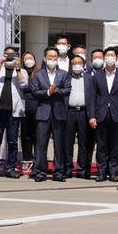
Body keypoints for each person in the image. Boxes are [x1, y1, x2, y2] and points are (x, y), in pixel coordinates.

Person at [87, 47, 118, 182]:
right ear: (104, 58)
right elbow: (92, 97)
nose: (110, 57)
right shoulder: (97, 76)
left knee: (114, 145)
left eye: (113, 55)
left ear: (116, 58)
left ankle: (113, 171)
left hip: (116, 115)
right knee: (101, 145)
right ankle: (101, 172)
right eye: (108, 55)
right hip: (101, 114)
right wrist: (92, 116)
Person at [31, 46, 71, 182]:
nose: (53, 59)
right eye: (50, 57)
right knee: (41, 145)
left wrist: (56, 91)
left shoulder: (64, 74)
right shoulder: (38, 74)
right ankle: (40, 173)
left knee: (59, 145)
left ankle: (58, 173)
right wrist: (48, 92)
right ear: (44, 58)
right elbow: (34, 92)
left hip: (59, 113)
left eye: (55, 57)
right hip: (43, 113)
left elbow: (67, 90)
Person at [0, 46, 28, 179]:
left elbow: (24, 85)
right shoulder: (0, 70)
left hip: (14, 113)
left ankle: (11, 167)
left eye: (12, 55)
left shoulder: (21, 71)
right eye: (7, 55)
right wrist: (0, 63)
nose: (10, 58)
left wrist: (17, 67)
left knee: (12, 142)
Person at [65, 55, 94, 179]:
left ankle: (82, 169)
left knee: (84, 142)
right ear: (71, 65)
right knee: (68, 142)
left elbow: (92, 97)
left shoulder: (89, 78)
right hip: (69, 112)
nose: (77, 65)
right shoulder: (66, 77)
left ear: (83, 65)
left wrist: (92, 115)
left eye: (79, 63)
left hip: (83, 112)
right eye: (74, 63)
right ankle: (68, 168)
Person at [20, 51, 39, 175]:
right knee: (25, 136)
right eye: (26, 58)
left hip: (37, 108)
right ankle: (27, 159)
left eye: (30, 58)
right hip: (23, 109)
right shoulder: (20, 73)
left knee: (37, 136)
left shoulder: (39, 73)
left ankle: (38, 161)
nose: (28, 60)